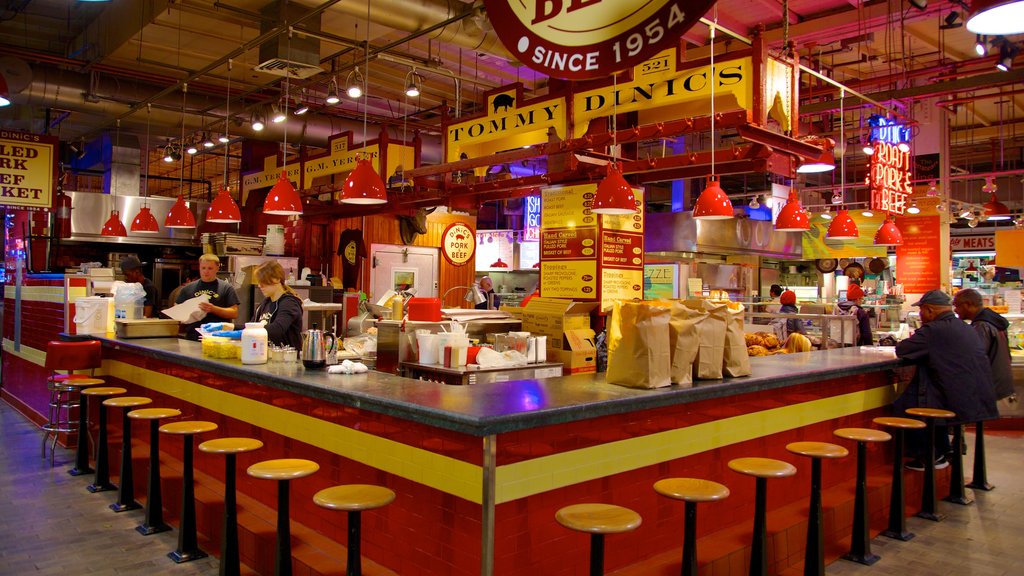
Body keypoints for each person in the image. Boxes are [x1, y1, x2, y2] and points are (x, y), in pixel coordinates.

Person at [894, 290, 999, 470]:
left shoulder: (933, 330)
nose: (920, 315)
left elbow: (903, 350)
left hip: (954, 399)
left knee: (905, 404)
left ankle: (928, 456)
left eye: (921, 311)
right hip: (975, 397)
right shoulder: (966, 327)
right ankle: (942, 449)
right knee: (927, 397)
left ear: (929, 310)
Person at [952, 289, 1017, 407]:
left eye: (957, 306)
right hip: (1002, 387)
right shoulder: (994, 321)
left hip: (991, 390)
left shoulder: (982, 326)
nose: (955, 310)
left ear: (968, 305)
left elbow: (975, 357)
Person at [175, 254, 239, 340]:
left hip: (218, 338)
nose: (206, 271)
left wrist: (213, 309)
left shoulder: (226, 288)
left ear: (217, 268)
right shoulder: (187, 288)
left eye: (210, 268)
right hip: (192, 338)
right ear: (199, 268)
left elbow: (234, 313)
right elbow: (176, 310)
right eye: (203, 268)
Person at [252, 261, 303, 350]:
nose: (259, 285)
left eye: (263, 281)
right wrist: (229, 327)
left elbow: (277, 329)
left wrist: (243, 332)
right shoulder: (264, 303)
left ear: (277, 279)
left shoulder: (289, 303)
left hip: (287, 360)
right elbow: (251, 325)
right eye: (259, 282)